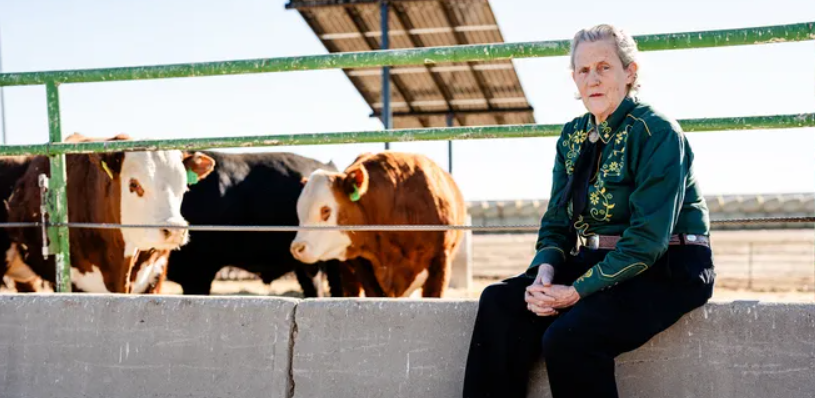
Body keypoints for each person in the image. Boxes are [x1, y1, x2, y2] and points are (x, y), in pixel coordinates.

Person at [462, 24, 716, 398]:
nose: (593, 79)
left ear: (630, 73)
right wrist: (545, 275)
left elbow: (647, 241)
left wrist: (574, 292)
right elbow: (557, 223)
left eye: (604, 67)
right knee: (500, 303)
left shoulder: (657, 132)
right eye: (583, 70)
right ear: (575, 79)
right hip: (599, 257)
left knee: (570, 337)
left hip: (670, 266)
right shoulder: (573, 136)